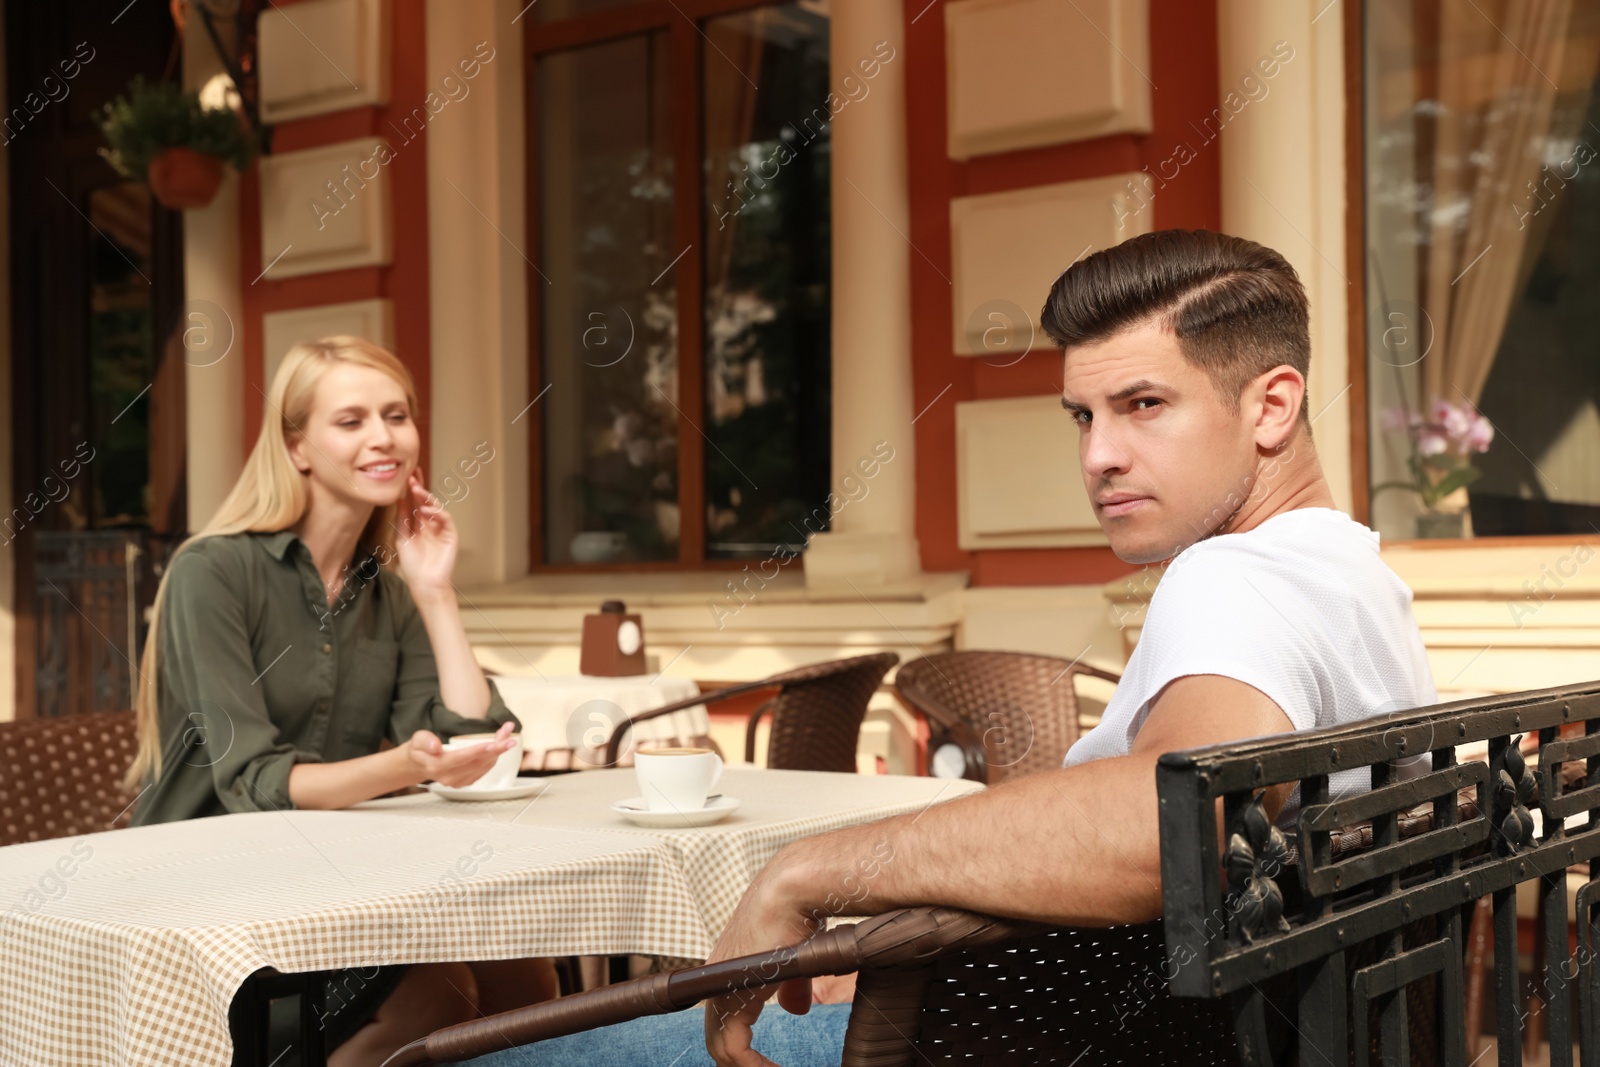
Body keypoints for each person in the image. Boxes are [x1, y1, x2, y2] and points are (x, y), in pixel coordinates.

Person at [454, 229, 1438, 1067]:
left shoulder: (1232, 576)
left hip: (1011, 1040)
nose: (1097, 454)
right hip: (1131, 1017)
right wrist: (891, 927)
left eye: (1143, 404)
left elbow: (1165, 821)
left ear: (1270, 406)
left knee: (486, 1050)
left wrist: (807, 872)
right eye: (1083, 416)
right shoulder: (1359, 578)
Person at [125, 336, 548, 1065]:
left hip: (335, 880)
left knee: (526, 971)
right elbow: (254, 782)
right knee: (438, 997)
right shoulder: (212, 571)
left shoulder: (388, 589)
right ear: (297, 447)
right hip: (203, 892)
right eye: (351, 421)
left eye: (397, 415)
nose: (384, 437)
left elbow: (476, 734)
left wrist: (436, 591)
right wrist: (406, 765)